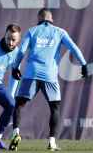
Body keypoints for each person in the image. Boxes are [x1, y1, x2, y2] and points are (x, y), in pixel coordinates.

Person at [10, 8, 88, 151]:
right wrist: (83, 64)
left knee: (19, 104)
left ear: (39, 18)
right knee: (55, 108)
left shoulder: (32, 31)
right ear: (51, 19)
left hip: (31, 74)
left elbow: (21, 51)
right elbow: (74, 48)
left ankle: (16, 133)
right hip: (49, 76)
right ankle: (51, 142)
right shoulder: (59, 32)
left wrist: (15, 67)